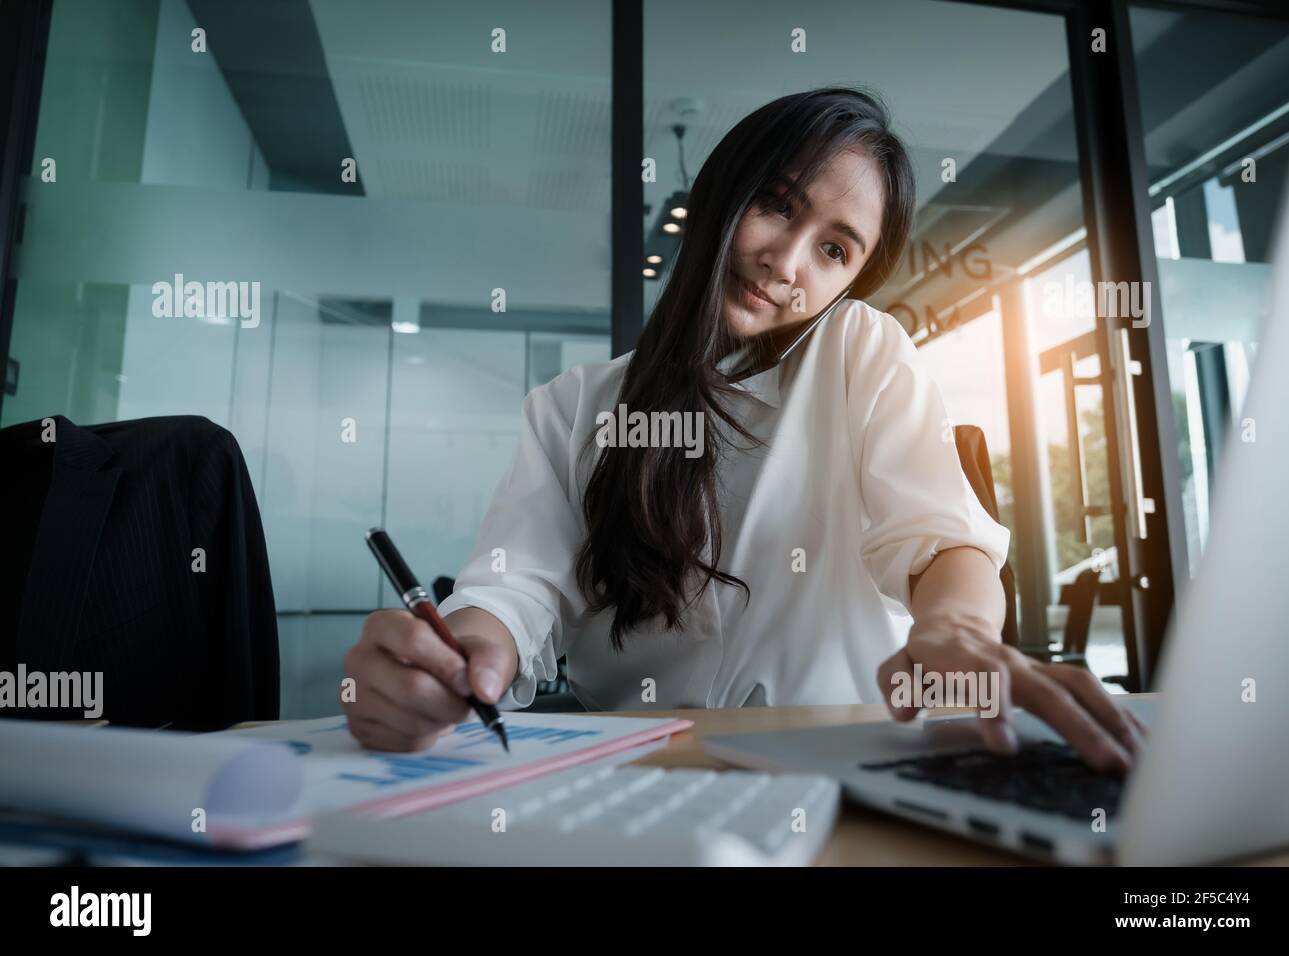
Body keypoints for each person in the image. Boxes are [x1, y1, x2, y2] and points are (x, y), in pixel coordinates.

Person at [342, 86, 1145, 770]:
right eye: (777, 205)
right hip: (644, 767)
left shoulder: (858, 349)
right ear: (725, 189)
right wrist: (460, 659)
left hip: (846, 755)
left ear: (850, 279)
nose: (787, 262)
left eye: (834, 249)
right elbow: (516, 589)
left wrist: (958, 630)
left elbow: (942, 541)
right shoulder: (573, 407)